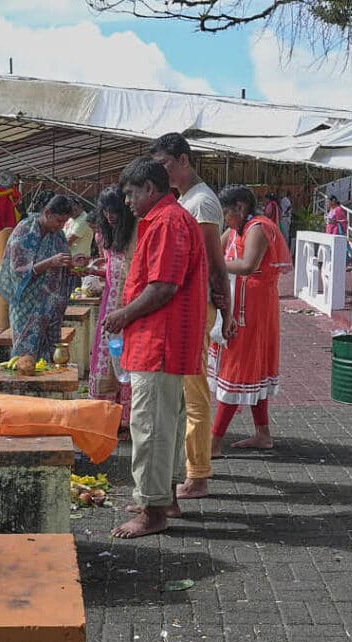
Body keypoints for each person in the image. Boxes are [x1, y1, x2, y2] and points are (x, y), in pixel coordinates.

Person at [103, 157, 207, 539]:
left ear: (149, 188)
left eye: (131, 193)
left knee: (149, 427)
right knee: (168, 424)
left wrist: (123, 314)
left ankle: (152, 509)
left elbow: (163, 286)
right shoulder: (170, 219)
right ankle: (166, 497)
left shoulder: (167, 221)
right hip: (166, 342)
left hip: (159, 341)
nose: (127, 202)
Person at [149, 132, 230, 501]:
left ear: (183, 159)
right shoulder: (185, 200)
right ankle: (191, 468)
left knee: (194, 392)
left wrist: (226, 313)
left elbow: (215, 264)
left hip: (196, 308)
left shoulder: (202, 203)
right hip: (185, 307)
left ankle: (198, 474)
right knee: (184, 392)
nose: (161, 172)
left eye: (165, 164)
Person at [208, 186, 291, 454]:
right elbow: (214, 248)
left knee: (238, 369)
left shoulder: (258, 227)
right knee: (251, 369)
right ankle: (262, 434)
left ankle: (214, 443)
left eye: (226, 213)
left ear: (240, 207)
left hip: (252, 308)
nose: (225, 219)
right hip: (241, 303)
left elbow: (247, 265)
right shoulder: (236, 228)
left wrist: (212, 264)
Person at [0, 195, 86, 361]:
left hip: (51, 305)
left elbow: (63, 265)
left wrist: (73, 263)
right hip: (27, 304)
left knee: (51, 354)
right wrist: (50, 262)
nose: (61, 226)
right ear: (47, 213)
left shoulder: (58, 235)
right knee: (25, 354)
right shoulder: (24, 230)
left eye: (64, 222)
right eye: (58, 221)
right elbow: (18, 271)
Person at [87, 186, 137, 437]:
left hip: (130, 304)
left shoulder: (136, 233)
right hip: (109, 304)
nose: (110, 216)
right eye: (106, 211)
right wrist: (95, 269)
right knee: (106, 359)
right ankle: (106, 418)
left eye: (115, 211)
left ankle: (126, 420)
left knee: (126, 361)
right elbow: (111, 267)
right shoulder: (102, 236)